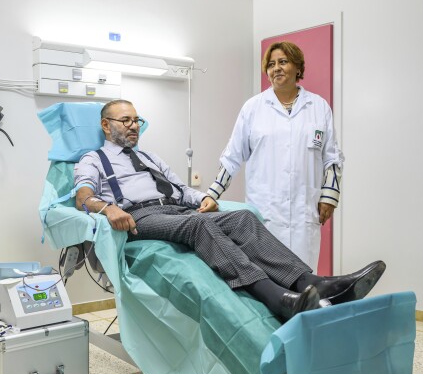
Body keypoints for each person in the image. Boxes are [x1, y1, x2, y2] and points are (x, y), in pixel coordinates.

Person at [74, 99, 383, 321]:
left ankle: (313, 283)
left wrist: (203, 199)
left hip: (174, 211)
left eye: (136, 121)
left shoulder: (151, 157)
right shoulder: (93, 159)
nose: (133, 127)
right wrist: (106, 209)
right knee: (200, 226)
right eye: (125, 121)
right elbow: (83, 195)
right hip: (138, 217)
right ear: (106, 124)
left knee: (243, 218)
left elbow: (181, 190)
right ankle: (277, 299)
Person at [207, 41, 344, 271]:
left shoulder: (319, 107)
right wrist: (212, 194)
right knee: (267, 281)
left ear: (298, 68)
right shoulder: (253, 108)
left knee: (303, 279)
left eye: (283, 62)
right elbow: (231, 157)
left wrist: (329, 198)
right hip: (265, 214)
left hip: (304, 214)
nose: (276, 68)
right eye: (271, 64)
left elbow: (332, 158)